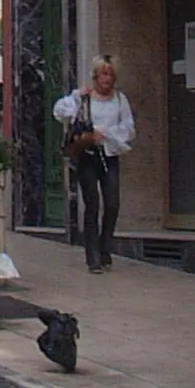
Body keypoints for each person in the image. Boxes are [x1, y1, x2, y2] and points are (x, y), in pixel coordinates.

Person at [53, 55, 135, 274]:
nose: (106, 79)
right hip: (87, 155)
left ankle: (105, 245)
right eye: (103, 74)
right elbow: (60, 111)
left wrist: (106, 134)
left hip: (108, 154)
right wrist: (77, 97)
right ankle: (93, 257)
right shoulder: (84, 97)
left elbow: (129, 128)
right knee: (92, 204)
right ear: (95, 76)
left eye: (110, 74)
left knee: (112, 203)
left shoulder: (120, 99)